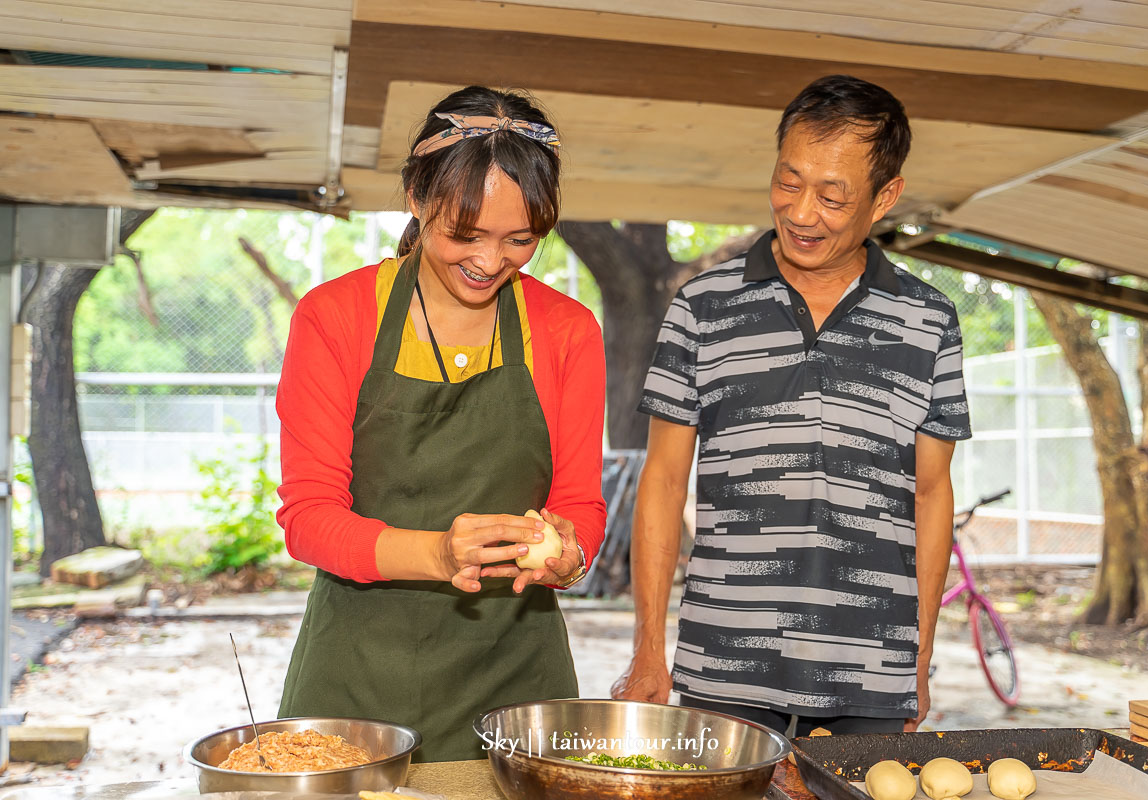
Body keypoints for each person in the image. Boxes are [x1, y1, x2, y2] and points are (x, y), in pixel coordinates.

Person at [612, 75, 971, 736]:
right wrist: (649, 650)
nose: (803, 213)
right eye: (789, 181)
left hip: (871, 672)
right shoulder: (702, 308)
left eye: (833, 196)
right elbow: (662, 480)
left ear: (885, 197)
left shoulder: (930, 321)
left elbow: (930, 492)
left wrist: (917, 658)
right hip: (724, 665)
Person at [274, 86, 606, 762]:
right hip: (356, 673)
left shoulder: (568, 331)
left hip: (516, 674)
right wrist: (438, 554)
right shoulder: (337, 316)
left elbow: (578, 505)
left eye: (521, 240)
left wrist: (569, 554)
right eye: (465, 234)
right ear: (417, 199)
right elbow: (308, 518)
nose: (490, 262)